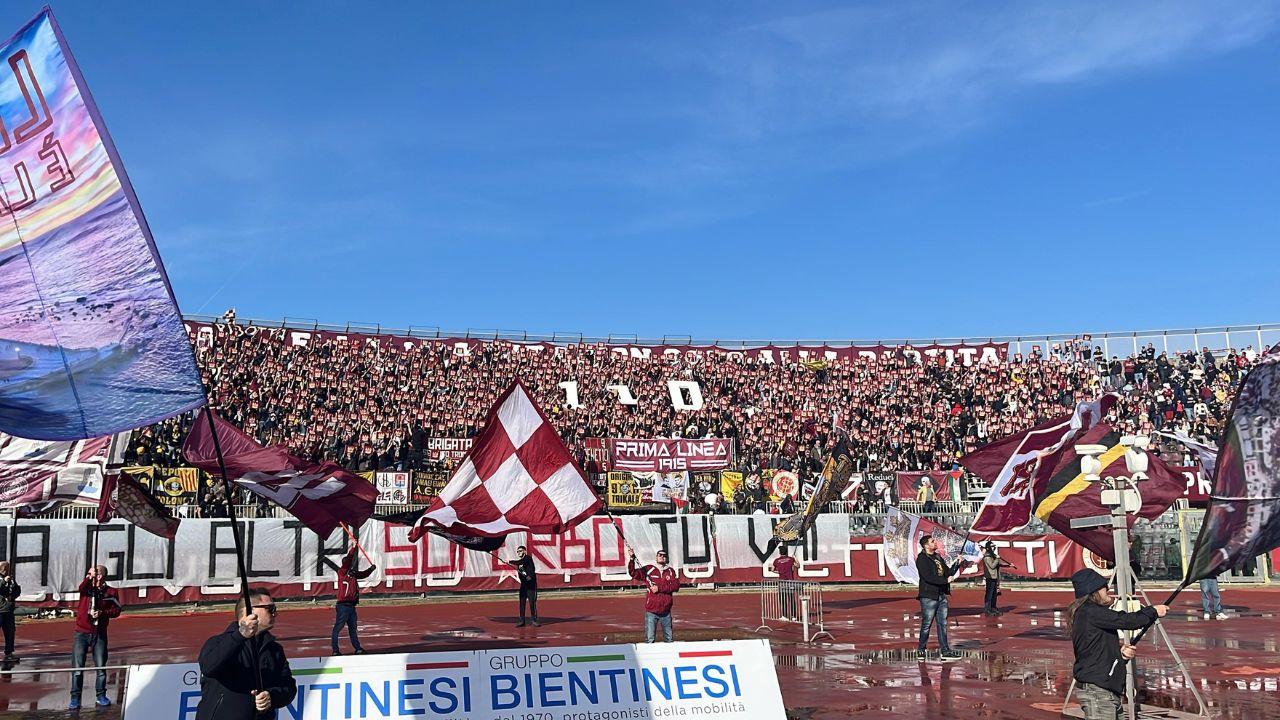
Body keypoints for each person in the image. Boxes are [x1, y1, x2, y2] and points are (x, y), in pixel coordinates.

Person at [1066, 569, 1168, 719]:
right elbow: (1126, 620)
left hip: (1105, 690)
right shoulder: (1091, 612)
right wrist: (1152, 611)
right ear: (1093, 590)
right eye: (1103, 586)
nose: (1107, 589)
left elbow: (1095, 649)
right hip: (1098, 691)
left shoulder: (1088, 613)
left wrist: (1120, 654)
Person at [197, 589, 297, 719]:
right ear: (250, 611)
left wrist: (271, 696)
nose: (275, 613)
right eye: (270, 608)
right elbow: (209, 666)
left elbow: (288, 686)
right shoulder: (218, 642)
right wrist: (240, 636)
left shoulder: (275, 650)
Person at [70, 565, 121, 710]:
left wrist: (103, 613)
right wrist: (88, 578)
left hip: (99, 633)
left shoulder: (111, 592)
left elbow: (117, 610)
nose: (90, 576)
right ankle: (75, 697)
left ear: (101, 576)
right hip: (81, 633)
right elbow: (81, 588)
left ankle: (100, 695)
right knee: (78, 668)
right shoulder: (87, 588)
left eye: (93, 573)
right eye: (89, 574)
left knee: (100, 667)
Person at [915, 535, 966, 660]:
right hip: (929, 596)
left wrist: (957, 564)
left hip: (941, 595)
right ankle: (921, 649)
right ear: (926, 545)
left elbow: (947, 572)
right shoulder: (922, 559)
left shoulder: (938, 557)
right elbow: (928, 577)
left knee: (942, 624)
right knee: (926, 624)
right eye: (932, 541)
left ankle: (945, 651)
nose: (935, 542)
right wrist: (945, 581)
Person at [627, 548, 679, 643]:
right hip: (652, 611)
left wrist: (659, 588)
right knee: (650, 640)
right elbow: (633, 573)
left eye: (664, 555)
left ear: (666, 558)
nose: (662, 557)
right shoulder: (648, 569)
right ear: (656, 557)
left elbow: (675, 586)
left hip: (666, 612)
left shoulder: (671, 571)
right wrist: (631, 559)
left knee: (669, 640)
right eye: (660, 555)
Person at [332, 547, 375, 655]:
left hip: (351, 606)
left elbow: (363, 574)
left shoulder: (353, 573)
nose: (349, 564)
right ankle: (335, 650)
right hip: (343, 606)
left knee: (353, 628)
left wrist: (371, 569)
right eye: (347, 563)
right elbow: (349, 559)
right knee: (338, 628)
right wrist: (353, 548)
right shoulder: (342, 572)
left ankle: (358, 648)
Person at [508, 545, 539, 627]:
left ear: (525, 551)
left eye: (520, 551)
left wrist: (510, 561)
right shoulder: (520, 563)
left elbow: (520, 562)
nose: (519, 552)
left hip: (531, 585)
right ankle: (522, 620)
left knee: (532, 603)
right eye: (517, 551)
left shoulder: (528, 558)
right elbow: (522, 571)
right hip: (524, 586)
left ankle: (534, 620)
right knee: (522, 603)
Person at [981, 542, 1014, 616]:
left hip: (995, 577)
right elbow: (992, 566)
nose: (993, 548)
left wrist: (1009, 565)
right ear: (988, 547)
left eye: (994, 546)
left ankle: (993, 608)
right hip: (990, 577)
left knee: (994, 594)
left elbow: (999, 563)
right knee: (989, 594)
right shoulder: (987, 557)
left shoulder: (993, 556)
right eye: (992, 546)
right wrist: (997, 559)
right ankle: (987, 609)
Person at [771, 545, 799, 620]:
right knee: (791, 599)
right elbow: (798, 565)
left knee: (783, 599)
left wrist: (779, 572)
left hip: (781, 582)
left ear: (780, 552)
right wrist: (795, 557)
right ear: (786, 552)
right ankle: (794, 616)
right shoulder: (791, 559)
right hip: (790, 581)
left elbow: (772, 570)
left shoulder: (776, 560)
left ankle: (784, 616)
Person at [0, 562, 19, 662]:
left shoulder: (10, 579)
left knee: (10, 632)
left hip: (8, 610)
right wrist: (3, 581)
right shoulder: (2, 580)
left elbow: (17, 589)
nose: (5, 570)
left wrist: (13, 596)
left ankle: (9, 653)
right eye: (3, 568)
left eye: (6, 568)